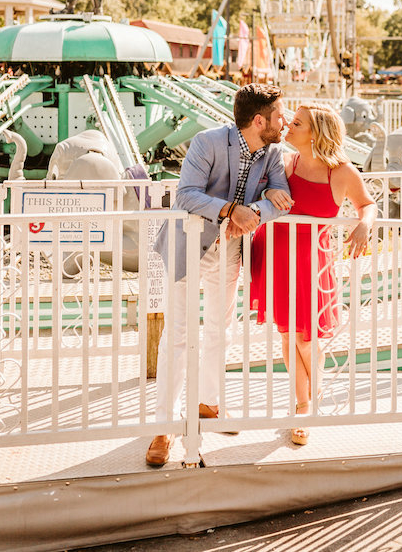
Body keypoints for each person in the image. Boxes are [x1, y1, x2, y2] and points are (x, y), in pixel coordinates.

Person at [146, 84, 290, 466]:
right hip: (188, 245)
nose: (285, 121)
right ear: (259, 121)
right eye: (279, 115)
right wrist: (230, 211)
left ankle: (208, 404)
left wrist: (253, 213)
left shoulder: (273, 152)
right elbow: (186, 194)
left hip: (230, 251)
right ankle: (163, 427)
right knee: (177, 336)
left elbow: (282, 197)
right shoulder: (207, 142)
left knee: (219, 331)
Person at [249, 103, 377, 445]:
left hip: (312, 259)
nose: (289, 125)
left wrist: (364, 224)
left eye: (298, 123)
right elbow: (255, 192)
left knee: (308, 338)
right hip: (275, 252)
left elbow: (367, 204)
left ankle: (307, 403)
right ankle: (303, 406)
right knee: (289, 335)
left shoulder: (343, 172)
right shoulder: (283, 161)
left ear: (316, 133)